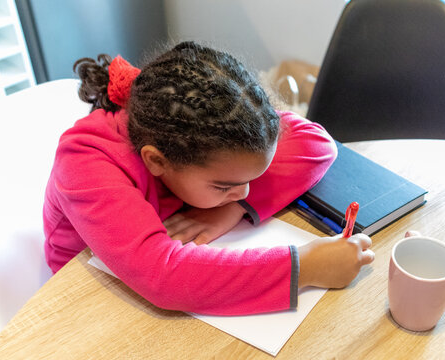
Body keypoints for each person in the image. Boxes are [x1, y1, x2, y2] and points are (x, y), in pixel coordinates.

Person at [43, 41, 375, 315]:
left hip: (155, 270)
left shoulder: (201, 125)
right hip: (88, 295)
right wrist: (305, 267)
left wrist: (232, 206)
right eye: (224, 186)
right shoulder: (85, 161)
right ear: (157, 161)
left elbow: (316, 144)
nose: (244, 190)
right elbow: (164, 277)